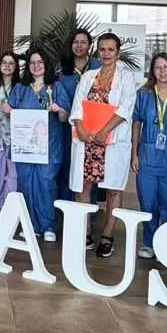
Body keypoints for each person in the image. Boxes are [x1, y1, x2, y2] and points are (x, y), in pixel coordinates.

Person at [68, 32, 139, 257]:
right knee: (84, 186)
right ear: (97, 52)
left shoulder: (127, 78)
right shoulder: (89, 76)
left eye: (110, 49)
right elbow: (77, 105)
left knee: (113, 189)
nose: (106, 53)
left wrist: (104, 131)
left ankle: (108, 235)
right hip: (88, 141)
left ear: (118, 53)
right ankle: (86, 232)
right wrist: (80, 129)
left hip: (111, 141)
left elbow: (126, 108)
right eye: (102, 49)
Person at [9, 50, 69, 242]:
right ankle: (30, 226)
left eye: (40, 62)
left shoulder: (56, 87)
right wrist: (6, 110)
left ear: (46, 64)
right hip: (25, 147)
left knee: (46, 183)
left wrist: (59, 109)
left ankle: (48, 226)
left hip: (49, 147)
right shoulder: (20, 88)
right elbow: (10, 113)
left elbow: (65, 118)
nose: (36, 66)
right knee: (26, 184)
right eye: (32, 63)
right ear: (28, 66)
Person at [131, 52, 167, 261]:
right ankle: (149, 243)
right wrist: (134, 154)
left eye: (166, 66)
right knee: (148, 202)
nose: (162, 71)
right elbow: (136, 123)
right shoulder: (144, 94)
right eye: (158, 67)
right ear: (152, 70)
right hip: (147, 155)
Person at [55, 28, 96, 201]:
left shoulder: (98, 67)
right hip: (66, 127)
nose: (79, 46)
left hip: (91, 128)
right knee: (67, 168)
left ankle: (88, 213)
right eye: (75, 42)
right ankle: (66, 210)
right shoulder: (61, 68)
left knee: (89, 172)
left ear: (89, 45)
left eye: (83, 42)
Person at [0, 51, 21, 216]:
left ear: (16, 67)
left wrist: (13, 112)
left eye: (11, 63)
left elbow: (26, 113)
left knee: (13, 177)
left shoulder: (20, 88)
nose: (7, 66)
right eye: (4, 62)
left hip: (15, 139)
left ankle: (10, 212)